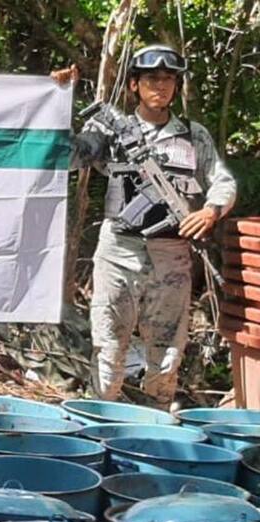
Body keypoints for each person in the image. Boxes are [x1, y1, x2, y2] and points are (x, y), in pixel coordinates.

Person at [54, 45, 236, 405]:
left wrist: (211, 211)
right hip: (119, 252)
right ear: (134, 85)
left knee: (167, 354)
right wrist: (59, 99)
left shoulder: (193, 135)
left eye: (169, 79)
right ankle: (100, 421)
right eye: (152, 78)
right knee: (108, 347)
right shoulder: (110, 130)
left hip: (172, 255)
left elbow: (222, 180)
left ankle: (156, 423)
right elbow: (68, 156)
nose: (161, 86)